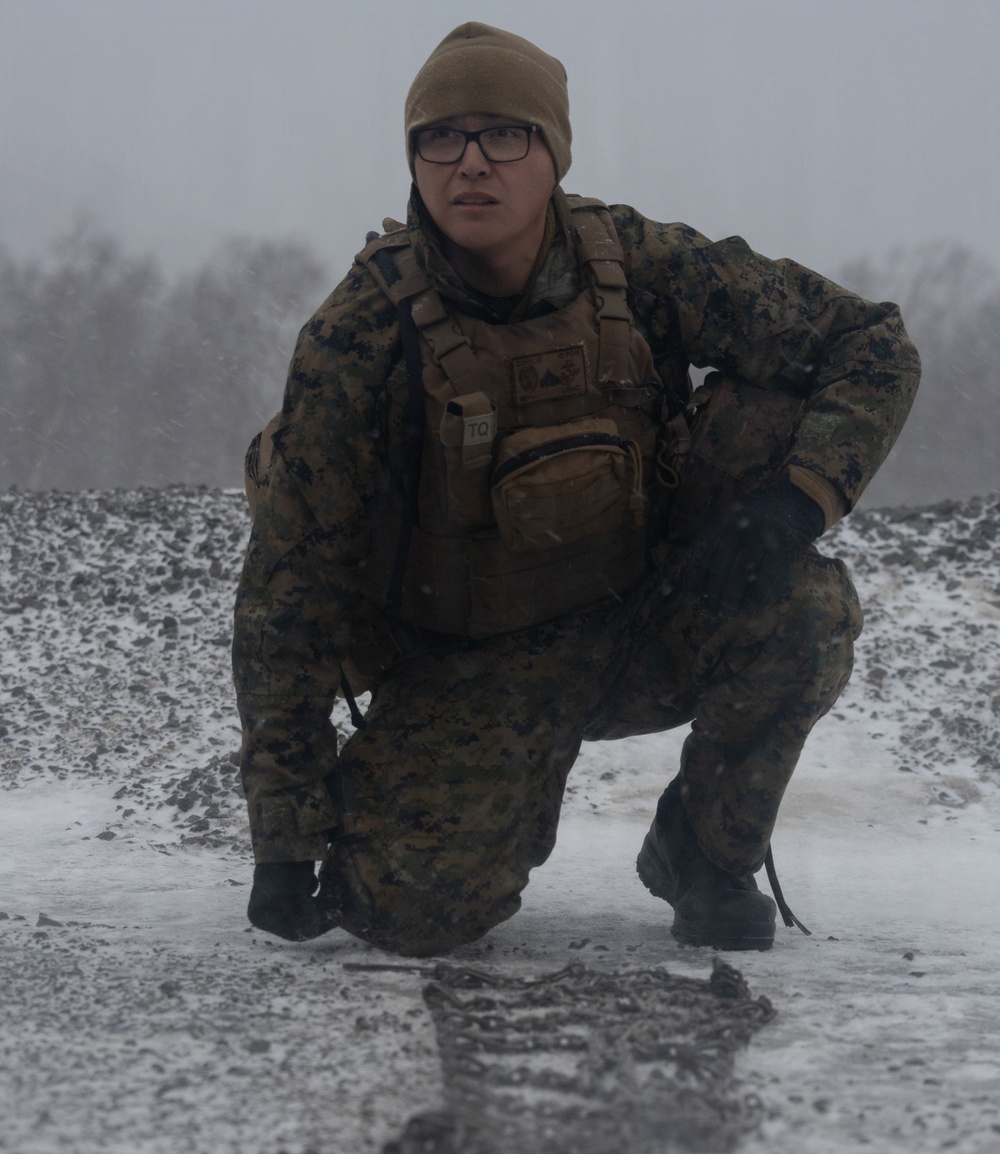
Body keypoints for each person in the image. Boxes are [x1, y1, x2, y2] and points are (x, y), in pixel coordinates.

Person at [234, 21, 919, 957]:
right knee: (405, 916)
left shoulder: (639, 266)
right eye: (442, 136)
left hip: (645, 615)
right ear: (414, 156)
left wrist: (798, 501)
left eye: (504, 133)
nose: (470, 162)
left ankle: (703, 851)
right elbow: (288, 592)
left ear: (552, 152)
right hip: (463, 661)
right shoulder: (359, 336)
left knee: (804, 614)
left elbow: (869, 342)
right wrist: (284, 835)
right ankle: (396, 801)